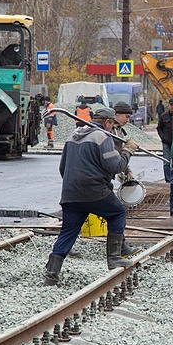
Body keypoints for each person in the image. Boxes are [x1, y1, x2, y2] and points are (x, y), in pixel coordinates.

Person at [43, 107, 141, 284]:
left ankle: (51, 274)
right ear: (107, 122)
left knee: (68, 231)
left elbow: (62, 168)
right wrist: (128, 151)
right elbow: (115, 166)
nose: (112, 128)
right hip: (94, 190)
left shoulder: (72, 136)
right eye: (112, 124)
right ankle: (114, 257)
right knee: (117, 212)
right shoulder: (102, 137)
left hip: (71, 193)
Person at [157, 98, 173, 211]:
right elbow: (159, 128)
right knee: (166, 162)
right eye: (171, 105)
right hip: (166, 143)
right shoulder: (164, 116)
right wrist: (163, 138)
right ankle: (168, 179)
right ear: (169, 105)